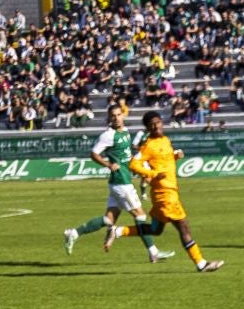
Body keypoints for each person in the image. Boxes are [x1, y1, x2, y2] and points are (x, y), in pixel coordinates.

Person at [62, 104, 173, 262]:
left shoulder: (126, 132)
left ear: (123, 115)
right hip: (121, 182)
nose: (116, 118)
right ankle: (153, 252)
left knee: (108, 220)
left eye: (118, 114)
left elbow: (125, 156)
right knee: (140, 216)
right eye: (113, 115)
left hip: (120, 181)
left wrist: (134, 168)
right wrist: (108, 164)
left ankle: (73, 233)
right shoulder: (108, 135)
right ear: (109, 117)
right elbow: (93, 154)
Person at [118, 112, 225, 273]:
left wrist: (176, 156)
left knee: (156, 230)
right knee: (184, 227)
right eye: (152, 124)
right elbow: (133, 164)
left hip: (169, 191)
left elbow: (164, 160)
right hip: (165, 193)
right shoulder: (148, 145)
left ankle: (118, 231)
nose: (157, 126)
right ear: (148, 128)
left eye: (158, 122)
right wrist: (153, 174)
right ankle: (201, 263)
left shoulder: (165, 140)